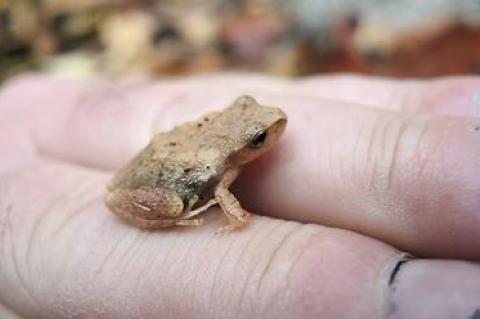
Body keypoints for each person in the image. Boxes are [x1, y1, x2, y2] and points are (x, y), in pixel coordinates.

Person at [0, 73, 479, 319]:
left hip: (158, 155)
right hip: (163, 181)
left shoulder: (224, 144)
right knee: (181, 205)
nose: (271, 131)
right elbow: (235, 213)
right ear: (241, 148)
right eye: (257, 138)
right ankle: (173, 216)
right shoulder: (222, 169)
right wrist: (222, 217)